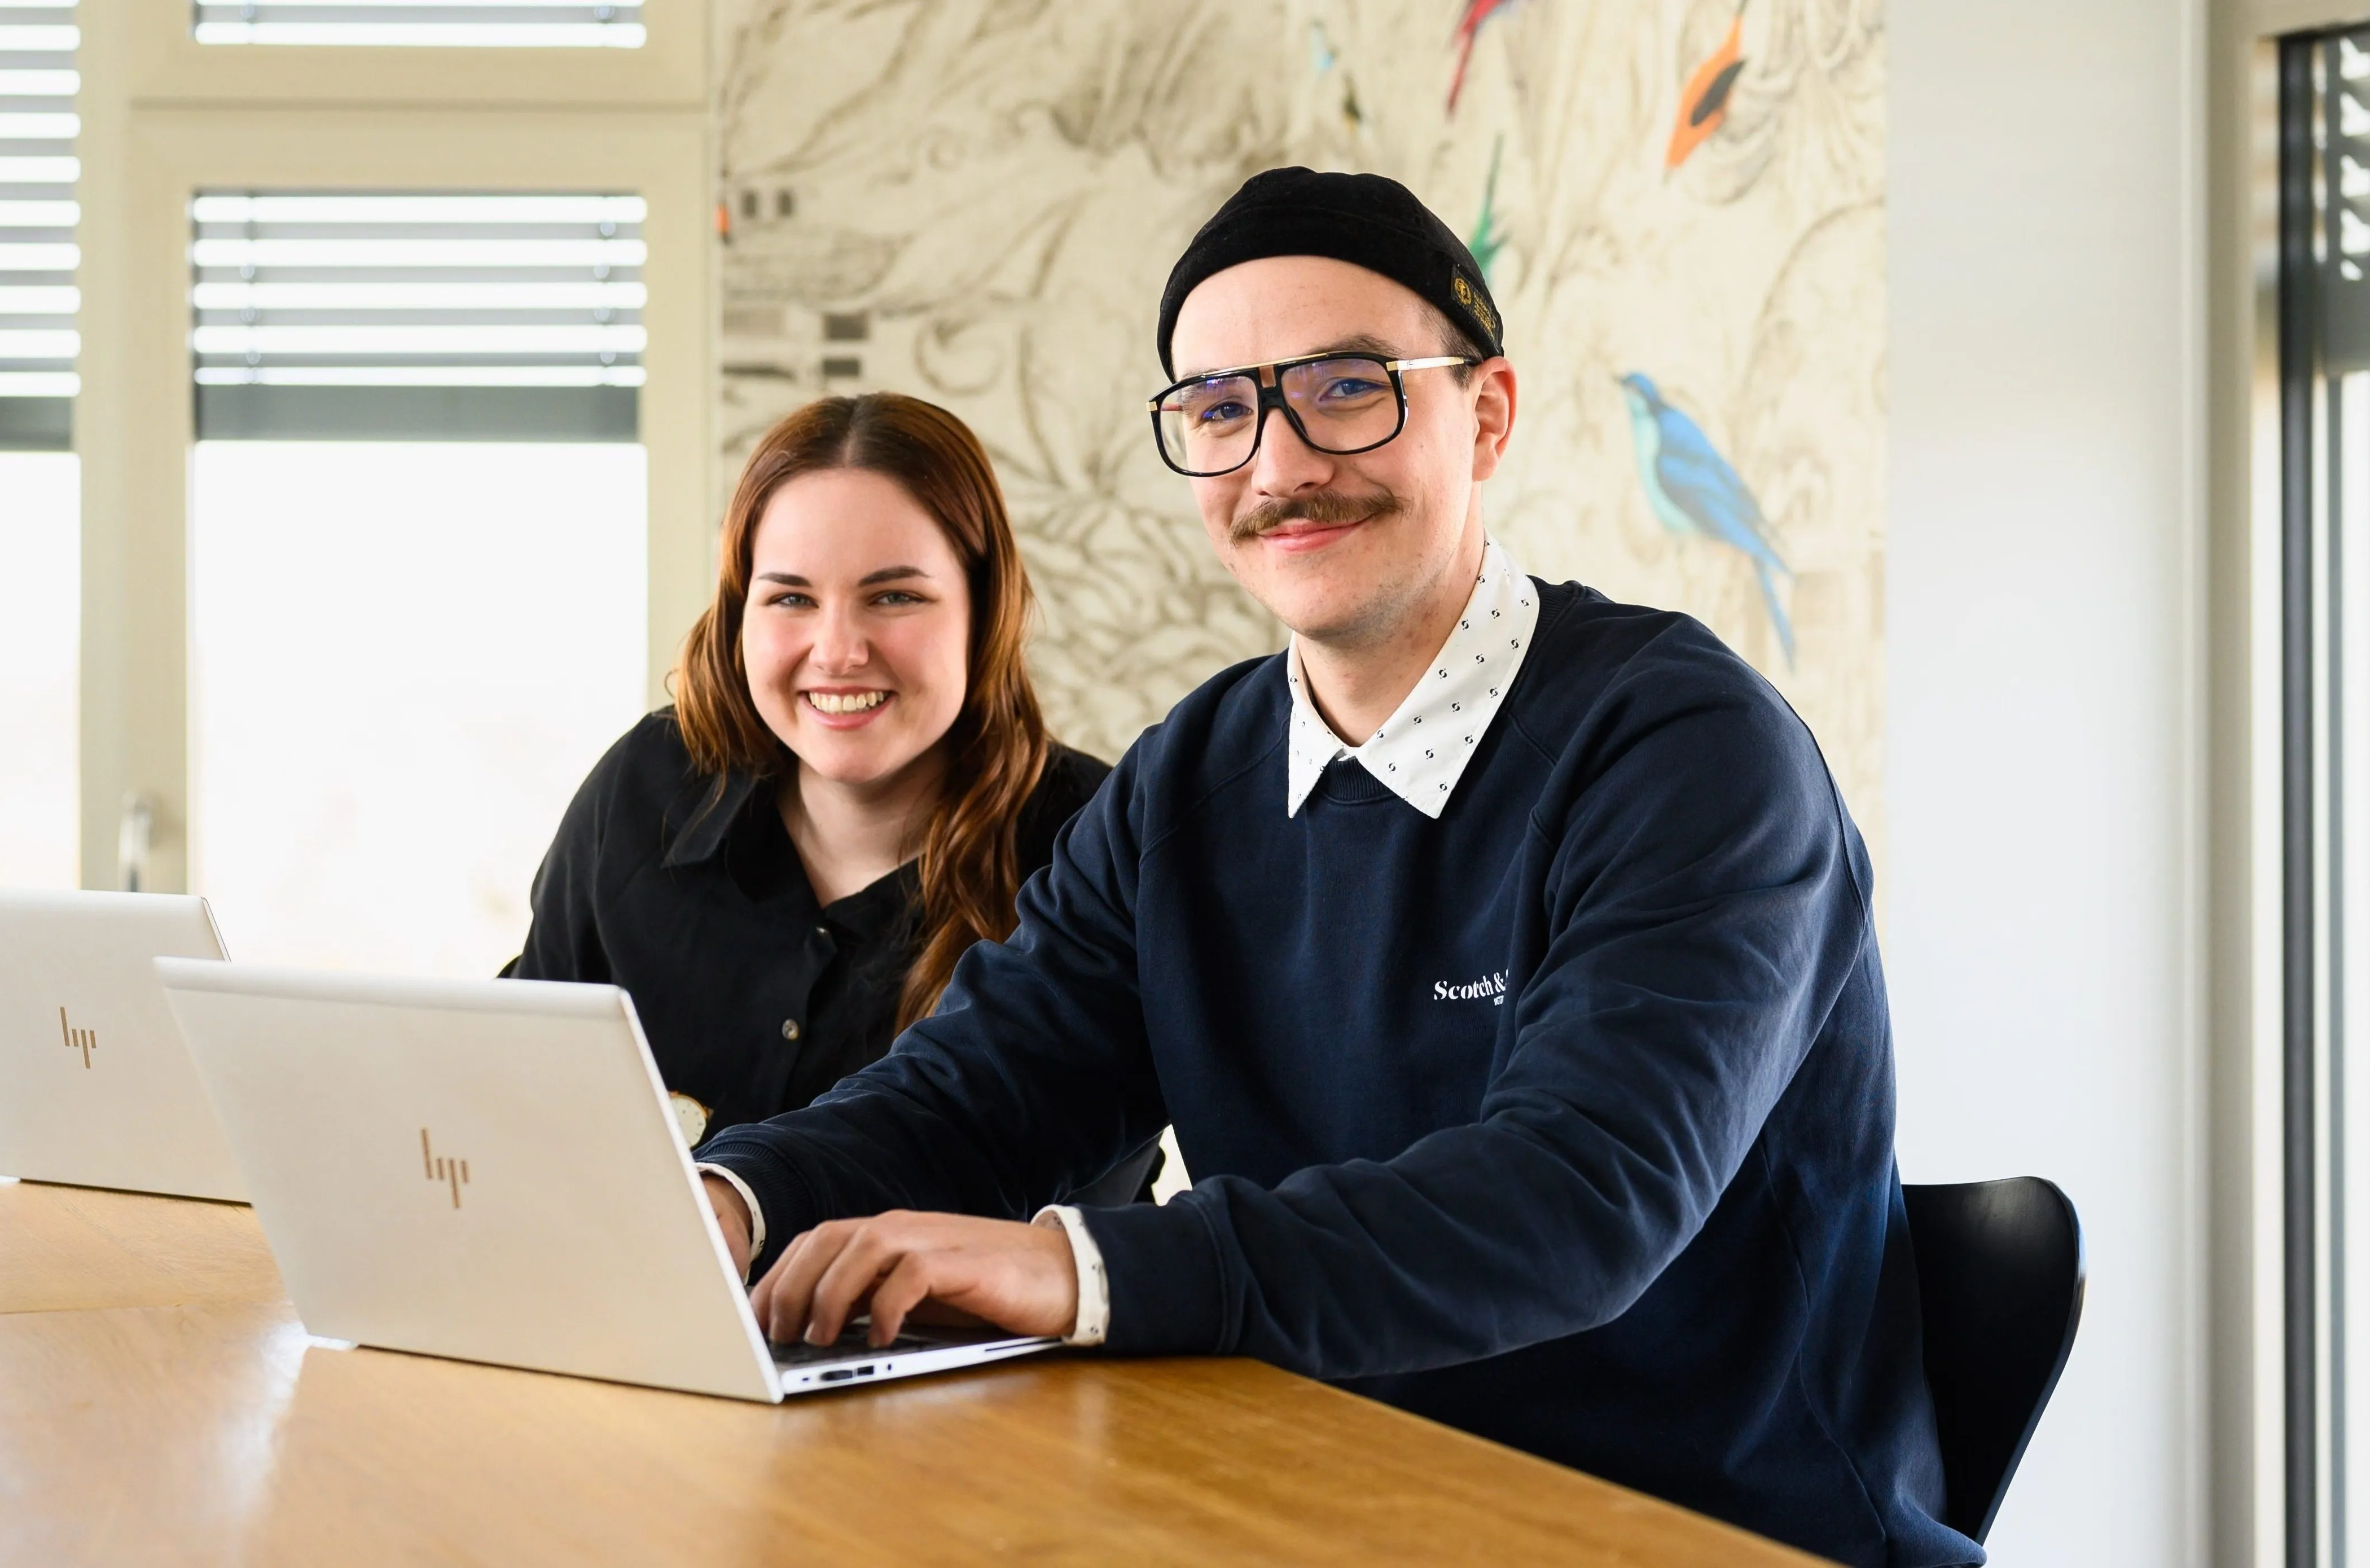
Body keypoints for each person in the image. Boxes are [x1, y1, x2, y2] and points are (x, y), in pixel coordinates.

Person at [691, 170, 1974, 1567]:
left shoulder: (1688, 750)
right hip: (1315, 1499)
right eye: (1222, 410)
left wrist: (1075, 1267)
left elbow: (1578, 1199)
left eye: (1346, 388)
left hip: (1700, 1529)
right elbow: (978, 1090)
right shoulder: (1191, 778)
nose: (1280, 463)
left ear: (1486, 417)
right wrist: (723, 1197)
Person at [509, 392, 1142, 1197]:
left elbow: (1074, 1191)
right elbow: (515, 1094)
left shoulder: (1097, 842)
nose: (837, 651)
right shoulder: (646, 785)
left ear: (985, 612)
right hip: (640, 1317)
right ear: (741, 613)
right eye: (791, 598)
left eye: (894, 596)